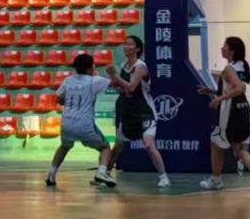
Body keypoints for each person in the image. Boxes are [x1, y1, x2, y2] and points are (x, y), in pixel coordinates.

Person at [199, 36, 250, 193]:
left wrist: (218, 99)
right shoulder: (242, 66)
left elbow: (239, 89)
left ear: (231, 50)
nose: (222, 48)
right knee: (239, 147)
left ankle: (216, 180)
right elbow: (233, 89)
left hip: (230, 111)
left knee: (216, 144)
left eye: (224, 45)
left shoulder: (229, 69)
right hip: (243, 109)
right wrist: (212, 91)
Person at [106, 36, 170, 187]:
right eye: (125, 44)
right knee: (118, 146)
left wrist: (115, 76)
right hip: (128, 112)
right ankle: (105, 174)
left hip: (144, 111)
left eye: (130, 44)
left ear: (138, 48)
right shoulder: (123, 66)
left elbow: (131, 87)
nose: (126, 46)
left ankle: (164, 177)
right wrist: (113, 82)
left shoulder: (141, 66)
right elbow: (122, 90)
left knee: (148, 144)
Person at [46, 53, 116, 188]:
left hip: (67, 123)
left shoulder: (68, 80)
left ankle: (51, 175)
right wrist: (113, 74)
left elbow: (59, 98)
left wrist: (69, 103)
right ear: (90, 68)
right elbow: (115, 84)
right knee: (105, 147)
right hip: (84, 124)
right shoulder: (94, 81)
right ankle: (102, 173)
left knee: (64, 147)